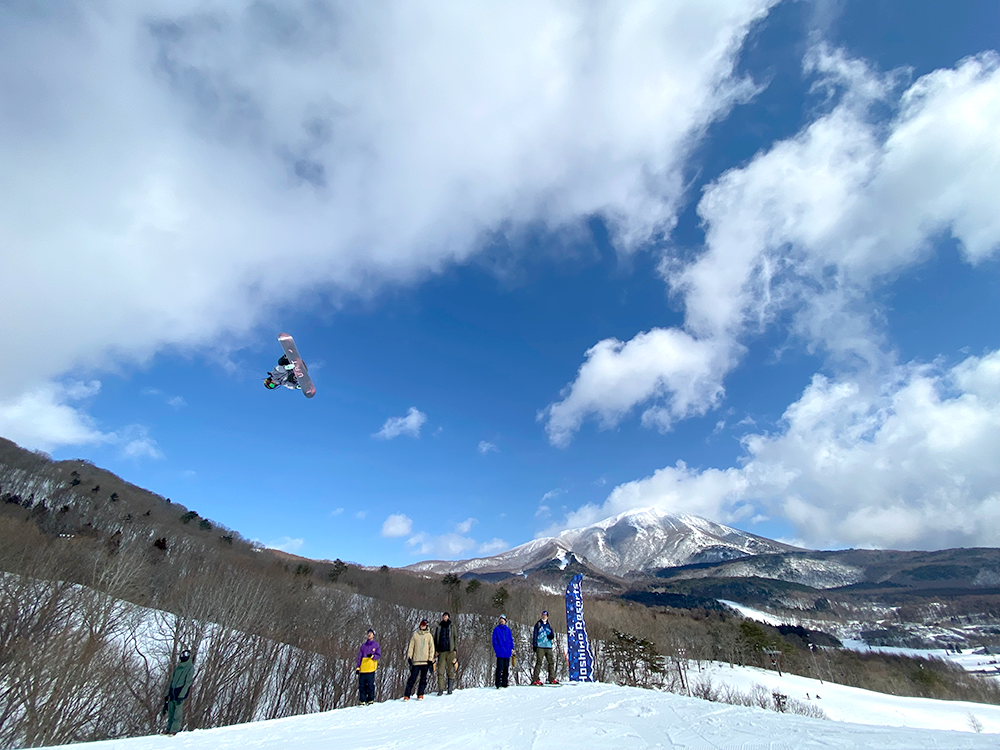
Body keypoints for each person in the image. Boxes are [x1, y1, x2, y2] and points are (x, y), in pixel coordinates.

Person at [162, 648, 194, 735]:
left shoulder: (190, 667)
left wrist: (182, 694)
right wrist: (167, 693)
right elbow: (172, 681)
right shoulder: (178, 668)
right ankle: (168, 729)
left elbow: (188, 683)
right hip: (173, 691)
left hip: (180, 691)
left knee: (177, 712)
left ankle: (174, 729)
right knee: (171, 711)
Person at [404, 619, 435, 700]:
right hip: (416, 661)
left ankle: (420, 694)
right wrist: (409, 657)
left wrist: (430, 659)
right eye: (421, 624)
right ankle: (407, 695)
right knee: (412, 678)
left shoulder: (429, 636)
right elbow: (411, 646)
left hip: (425, 661)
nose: (422, 626)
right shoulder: (415, 635)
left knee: (423, 679)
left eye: (424, 625)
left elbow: (431, 648)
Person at [433, 612, 458, 696]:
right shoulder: (439, 627)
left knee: (451, 670)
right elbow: (435, 639)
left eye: (446, 616)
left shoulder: (452, 626)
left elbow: (455, 637)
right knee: (440, 671)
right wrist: (436, 650)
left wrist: (455, 649)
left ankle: (450, 689)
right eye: (444, 616)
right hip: (441, 652)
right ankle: (440, 689)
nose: (445, 617)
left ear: (448, 617)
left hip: (450, 651)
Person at [531, 610, 558, 685]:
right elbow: (535, 635)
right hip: (540, 646)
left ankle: (552, 678)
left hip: (548, 646)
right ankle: (535, 679)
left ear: (547, 616)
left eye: (545, 615)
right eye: (543, 615)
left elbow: (552, 634)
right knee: (539, 662)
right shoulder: (538, 624)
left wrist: (551, 636)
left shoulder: (549, 625)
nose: (544, 616)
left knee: (551, 662)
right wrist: (535, 645)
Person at [356, 628, 381, 705]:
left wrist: (372, 656)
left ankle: (370, 699)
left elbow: (378, 655)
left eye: (371, 633)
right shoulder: (363, 646)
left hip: (371, 668)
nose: (369, 635)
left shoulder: (376, 645)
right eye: (368, 633)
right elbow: (359, 657)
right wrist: (358, 667)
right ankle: (362, 700)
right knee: (362, 686)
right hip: (363, 669)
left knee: (370, 685)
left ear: (373, 635)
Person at [492, 614, 514, 689]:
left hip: (507, 652)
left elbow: (511, 640)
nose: (502, 621)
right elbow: (494, 641)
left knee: (506, 668)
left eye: (503, 620)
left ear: (505, 621)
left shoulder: (508, 630)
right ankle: (498, 684)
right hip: (500, 652)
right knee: (499, 668)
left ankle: (505, 683)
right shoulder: (496, 629)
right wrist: (497, 650)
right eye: (500, 619)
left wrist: (512, 648)